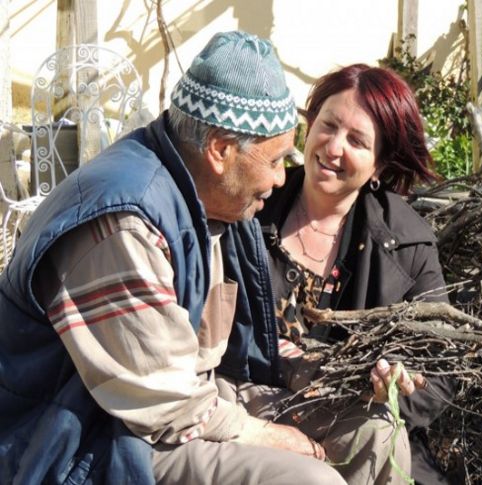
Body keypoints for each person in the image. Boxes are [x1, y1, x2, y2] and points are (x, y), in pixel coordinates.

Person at [0, 31, 345, 484]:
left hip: (179, 402)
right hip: (84, 438)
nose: (283, 179)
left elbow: (231, 340)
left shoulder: (215, 204)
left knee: (369, 432)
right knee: (309, 480)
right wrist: (266, 435)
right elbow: (162, 401)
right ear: (220, 150)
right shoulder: (123, 223)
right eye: (277, 159)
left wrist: (320, 370)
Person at [219, 64, 455, 485]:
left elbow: (438, 376)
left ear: (379, 165)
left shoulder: (407, 243)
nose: (333, 147)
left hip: (354, 430)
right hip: (245, 412)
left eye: (357, 141)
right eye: (327, 126)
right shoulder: (251, 207)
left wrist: (396, 381)